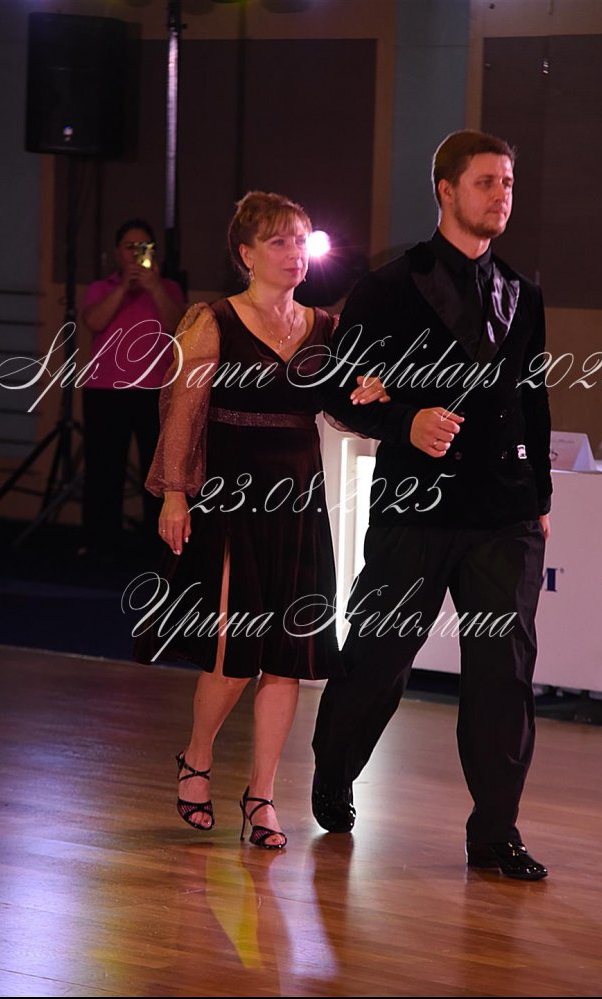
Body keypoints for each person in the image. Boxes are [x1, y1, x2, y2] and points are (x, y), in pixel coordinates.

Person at [310, 130, 552, 880]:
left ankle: (495, 833)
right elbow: (336, 388)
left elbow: (534, 401)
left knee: (503, 674)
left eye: (507, 182)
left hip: (505, 514)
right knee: (379, 659)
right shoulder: (389, 287)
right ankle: (333, 771)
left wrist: (539, 496)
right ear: (446, 190)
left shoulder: (523, 292)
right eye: (485, 182)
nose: (501, 195)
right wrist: (405, 420)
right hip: (415, 507)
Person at [133, 191, 389, 849]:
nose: (294, 253)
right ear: (246, 253)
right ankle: (197, 759)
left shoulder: (327, 327)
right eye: (279, 241)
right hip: (229, 500)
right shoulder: (212, 320)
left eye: (301, 240)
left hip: (298, 498)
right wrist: (174, 493)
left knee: (287, 658)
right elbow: (183, 412)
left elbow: (342, 409)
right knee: (232, 652)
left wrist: (370, 393)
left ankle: (262, 795)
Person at [81, 219, 185, 558]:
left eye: (144, 247)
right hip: (105, 389)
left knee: (157, 472)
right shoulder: (102, 288)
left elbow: (179, 327)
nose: (135, 254)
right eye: (130, 247)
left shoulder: (169, 288)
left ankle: (158, 545)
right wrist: (124, 287)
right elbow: (94, 321)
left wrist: (154, 287)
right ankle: (99, 543)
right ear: (117, 252)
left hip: (156, 390)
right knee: (103, 468)